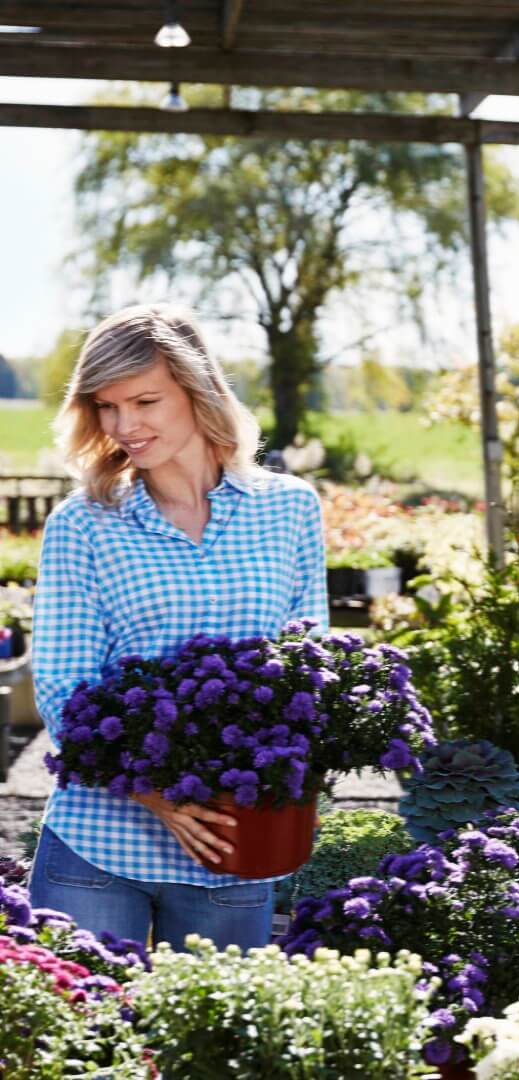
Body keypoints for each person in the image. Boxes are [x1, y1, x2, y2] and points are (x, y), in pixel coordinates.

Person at [28, 304, 327, 948]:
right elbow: (61, 687)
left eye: (144, 401)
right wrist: (157, 796)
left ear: (198, 393)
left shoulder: (289, 509)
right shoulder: (84, 525)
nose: (124, 425)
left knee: (216, 1049)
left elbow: (310, 663)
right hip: (99, 848)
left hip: (234, 845)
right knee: (88, 1046)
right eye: (106, 407)